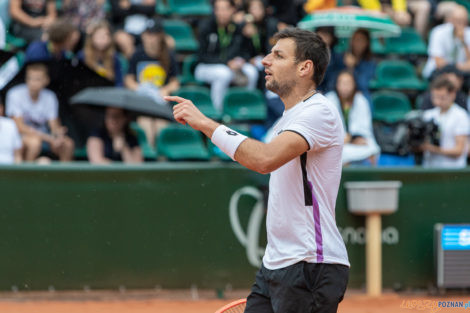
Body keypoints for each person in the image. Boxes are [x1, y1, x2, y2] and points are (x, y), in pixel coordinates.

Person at [166, 28, 349, 313]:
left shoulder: (319, 112)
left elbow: (264, 159)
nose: (265, 60)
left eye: (278, 55)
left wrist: (205, 123)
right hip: (275, 264)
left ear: (304, 67)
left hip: (311, 264)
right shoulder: (287, 119)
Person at [195, 0, 259, 112]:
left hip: (230, 65)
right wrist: (226, 63)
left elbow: (245, 52)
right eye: (218, 9)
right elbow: (202, 56)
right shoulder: (207, 26)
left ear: (232, 10)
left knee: (252, 71)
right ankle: (217, 112)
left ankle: (246, 108)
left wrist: (242, 60)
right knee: (223, 73)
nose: (221, 12)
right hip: (205, 67)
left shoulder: (237, 27)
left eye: (225, 9)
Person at [125, 17, 179, 145]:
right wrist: (139, 88)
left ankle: (160, 157)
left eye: (154, 34)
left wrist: (165, 90)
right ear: (143, 35)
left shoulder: (168, 55)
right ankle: (149, 156)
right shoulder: (137, 54)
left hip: (160, 100)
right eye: (148, 34)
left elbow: (175, 82)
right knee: (145, 124)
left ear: (160, 36)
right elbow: (128, 79)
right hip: (142, 100)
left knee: (161, 127)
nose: (151, 37)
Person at [5, 63, 75, 162]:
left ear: (46, 80)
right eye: (30, 78)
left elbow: (53, 125)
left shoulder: (50, 96)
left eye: (37, 79)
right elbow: (19, 127)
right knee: (34, 143)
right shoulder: (15, 94)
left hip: (44, 137)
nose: (33, 82)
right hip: (20, 137)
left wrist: (58, 134)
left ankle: (66, 176)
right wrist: (48, 138)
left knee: (67, 144)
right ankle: (27, 175)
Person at [326, 70, 380, 165]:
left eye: (348, 83)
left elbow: (365, 128)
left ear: (354, 85)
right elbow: (326, 129)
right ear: (337, 85)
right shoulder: (329, 100)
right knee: (338, 153)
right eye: (342, 83)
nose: (345, 87)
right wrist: (344, 139)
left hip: (357, 141)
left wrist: (353, 139)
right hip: (337, 143)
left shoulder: (361, 100)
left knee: (373, 149)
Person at [421, 75, 470, 168]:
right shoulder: (428, 115)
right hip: (429, 168)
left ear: (452, 94)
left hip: (453, 171)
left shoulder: (460, 115)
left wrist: (434, 149)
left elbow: (459, 150)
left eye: (442, 97)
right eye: (435, 97)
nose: (438, 101)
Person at [422, 5, 470, 79]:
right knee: (450, 79)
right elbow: (439, 62)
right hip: (439, 71)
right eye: (457, 20)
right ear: (450, 19)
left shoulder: (468, 33)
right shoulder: (439, 32)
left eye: (463, 21)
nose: (460, 24)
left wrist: (464, 42)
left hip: (461, 73)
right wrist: (458, 67)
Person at [77, 20, 124, 86]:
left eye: (105, 36)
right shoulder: (82, 56)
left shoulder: (114, 57)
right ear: (91, 37)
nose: (102, 39)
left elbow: (119, 82)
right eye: (98, 36)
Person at [340, 28, 376, 104]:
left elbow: (363, 84)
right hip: (342, 94)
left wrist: (352, 67)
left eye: (361, 40)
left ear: (367, 43)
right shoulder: (342, 58)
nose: (358, 43)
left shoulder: (370, 62)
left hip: (361, 95)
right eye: (355, 40)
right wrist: (348, 67)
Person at [0, 99, 22, 164]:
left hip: (10, 168)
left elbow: (17, 154)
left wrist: (18, 171)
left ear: (1, 108)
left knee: (44, 161)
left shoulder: (10, 124)